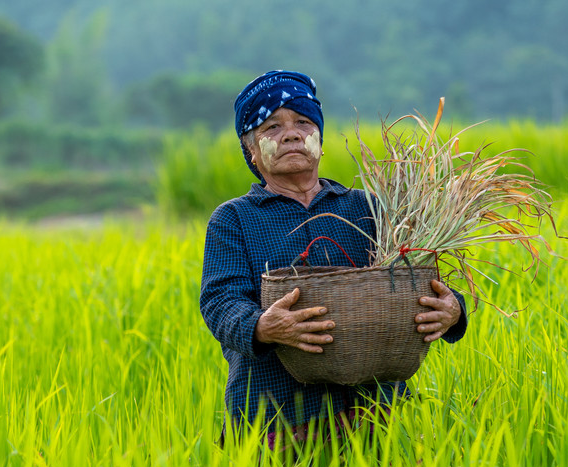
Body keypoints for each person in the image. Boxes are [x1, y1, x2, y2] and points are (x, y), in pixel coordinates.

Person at [200, 70, 467, 447]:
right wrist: (261, 326)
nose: (291, 133)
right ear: (252, 152)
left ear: (319, 140)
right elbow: (219, 301)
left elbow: (416, 278)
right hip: (277, 417)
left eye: (303, 122)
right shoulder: (234, 219)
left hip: (378, 411)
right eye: (271, 127)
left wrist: (453, 309)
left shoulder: (369, 208)